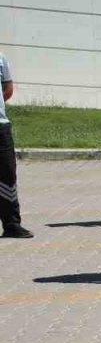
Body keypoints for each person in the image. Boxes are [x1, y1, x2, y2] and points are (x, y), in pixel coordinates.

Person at [0, 50, 32, 239]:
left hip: (1, 127)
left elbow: (8, 89)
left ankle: (12, 224)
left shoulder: (1, 58)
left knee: (7, 174)